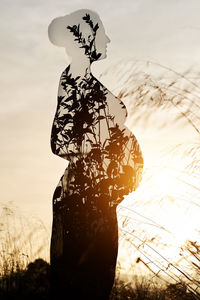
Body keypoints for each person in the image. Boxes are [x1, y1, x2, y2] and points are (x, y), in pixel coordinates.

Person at [48, 9, 143, 299]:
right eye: (102, 33)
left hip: (100, 201)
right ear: (86, 38)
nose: (108, 40)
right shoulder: (74, 82)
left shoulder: (88, 83)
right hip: (83, 202)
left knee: (99, 283)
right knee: (85, 285)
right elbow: (60, 141)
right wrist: (101, 146)